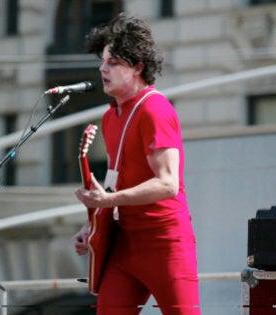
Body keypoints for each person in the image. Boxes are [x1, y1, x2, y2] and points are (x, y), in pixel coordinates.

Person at [71, 13, 200, 315]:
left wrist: (109, 199)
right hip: (125, 241)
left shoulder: (155, 109)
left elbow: (167, 184)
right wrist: (89, 226)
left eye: (113, 63)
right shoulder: (109, 115)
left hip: (165, 241)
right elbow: (119, 181)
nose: (103, 69)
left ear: (138, 67)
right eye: (102, 61)